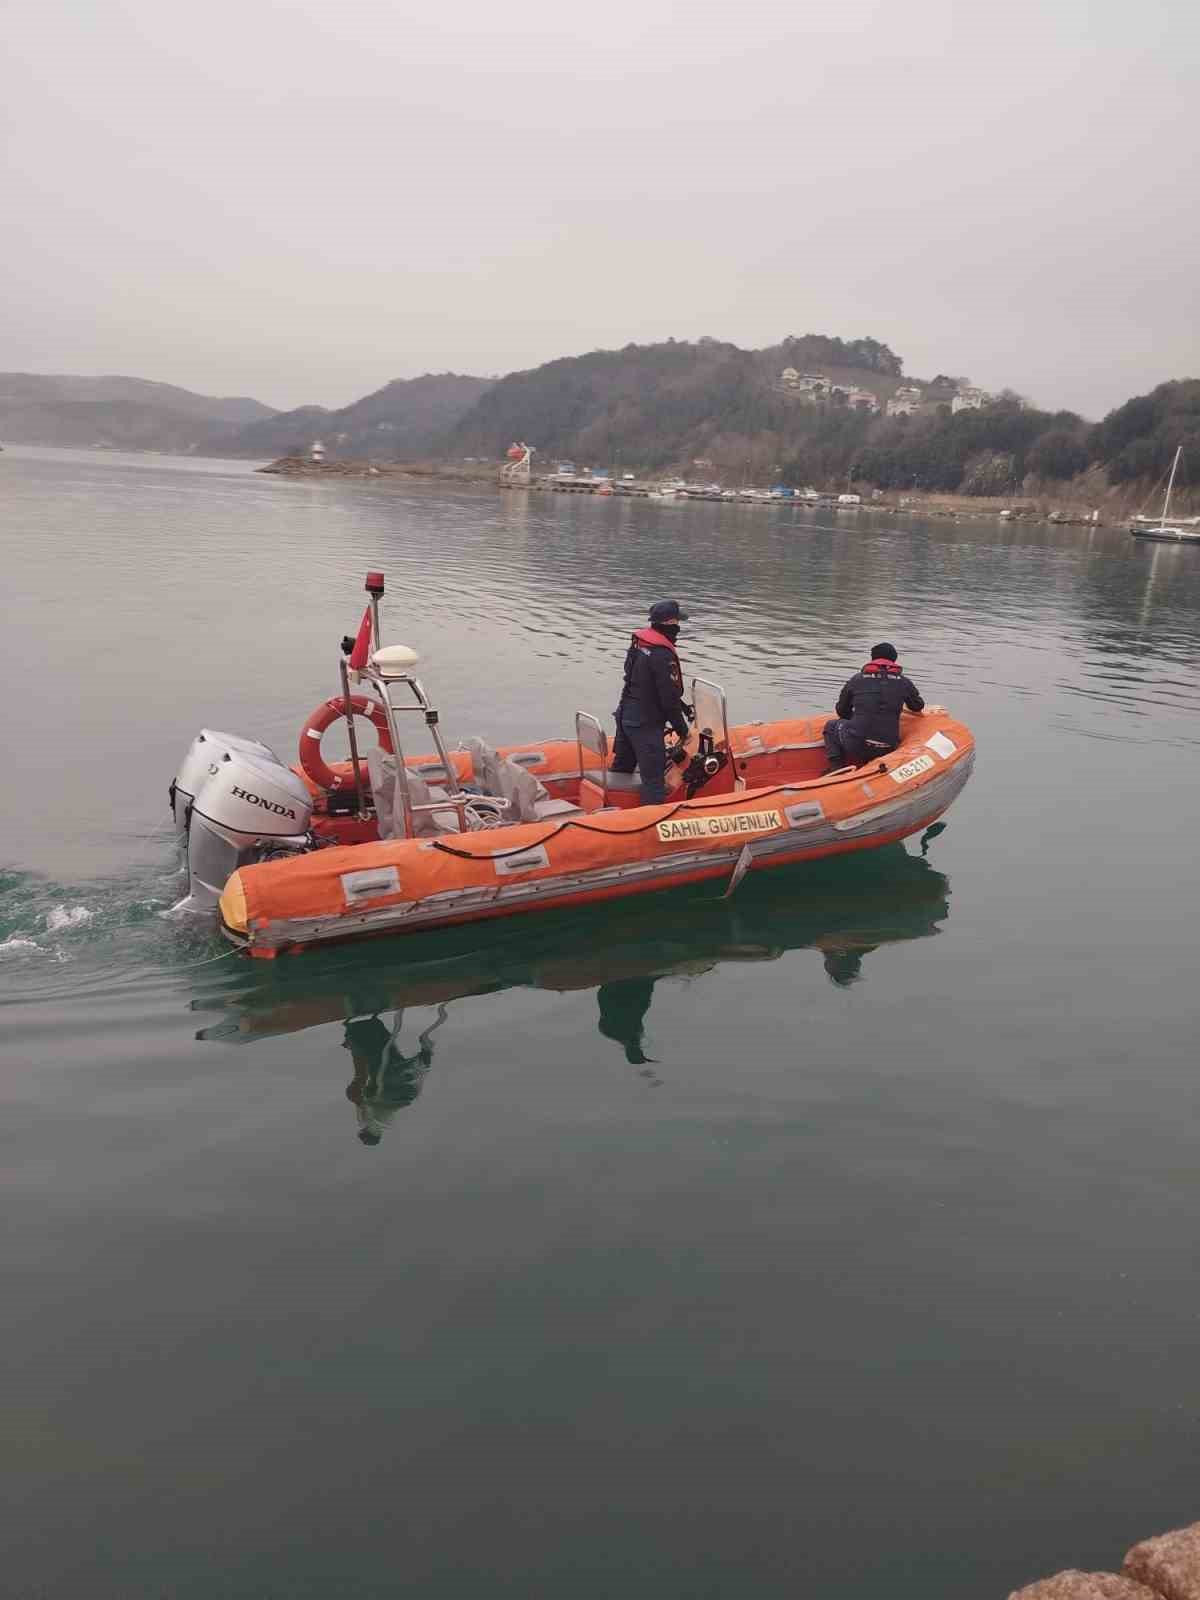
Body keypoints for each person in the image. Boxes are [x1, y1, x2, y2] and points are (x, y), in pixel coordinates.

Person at [612, 600, 692, 804]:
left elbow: (637, 682)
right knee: (654, 782)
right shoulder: (662, 654)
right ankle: (650, 828)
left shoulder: (639, 644)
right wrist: (683, 730)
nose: (679, 627)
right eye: (678, 621)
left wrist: (681, 706)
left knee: (622, 769)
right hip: (645, 725)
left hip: (625, 716)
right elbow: (668, 700)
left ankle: (613, 813)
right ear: (670, 622)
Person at [823, 642, 925, 771]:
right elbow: (917, 706)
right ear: (894, 660)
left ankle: (836, 768)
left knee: (831, 726)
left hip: (857, 744)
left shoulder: (857, 680)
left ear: (873, 659)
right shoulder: (904, 682)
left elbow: (841, 711)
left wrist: (857, 717)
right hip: (888, 747)